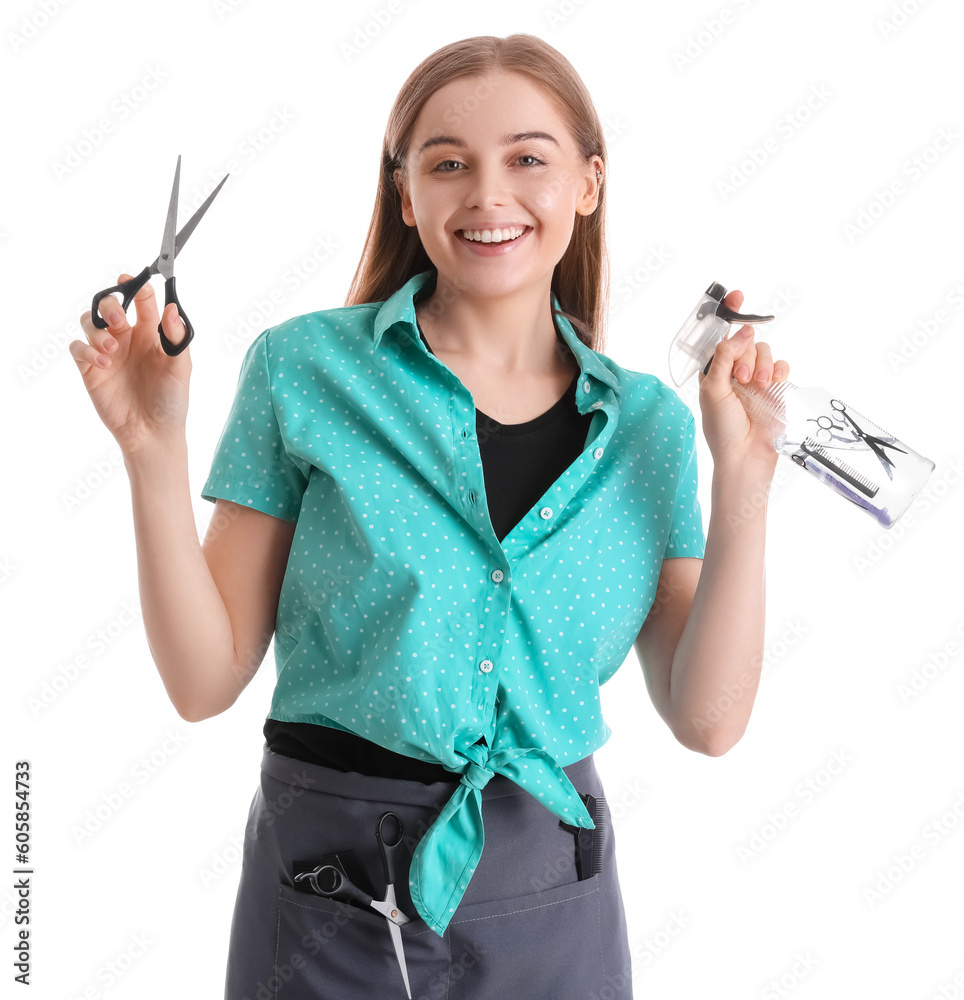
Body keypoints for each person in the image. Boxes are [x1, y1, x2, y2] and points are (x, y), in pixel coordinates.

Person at [71, 33, 788, 1000]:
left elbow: (708, 720)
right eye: (448, 164)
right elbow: (203, 681)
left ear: (588, 181)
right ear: (406, 194)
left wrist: (742, 478)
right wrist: (151, 452)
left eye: (528, 158)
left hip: (552, 894)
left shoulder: (651, 427)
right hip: (326, 887)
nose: (489, 195)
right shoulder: (304, 372)